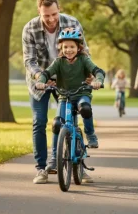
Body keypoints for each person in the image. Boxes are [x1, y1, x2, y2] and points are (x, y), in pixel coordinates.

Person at [22, 0, 95, 184]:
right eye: (46, 15)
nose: (51, 19)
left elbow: (84, 51)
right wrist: (41, 78)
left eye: (54, 14)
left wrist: (89, 74)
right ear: (40, 12)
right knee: (39, 122)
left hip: (68, 79)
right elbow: (29, 60)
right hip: (41, 80)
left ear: (58, 9)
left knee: (70, 119)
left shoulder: (72, 22)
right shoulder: (29, 28)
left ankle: (78, 164)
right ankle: (41, 169)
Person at [36, 26, 104, 168]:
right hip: (64, 97)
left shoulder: (84, 59)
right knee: (57, 124)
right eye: (65, 47)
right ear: (61, 47)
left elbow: (98, 71)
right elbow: (46, 73)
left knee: (85, 109)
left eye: (72, 46)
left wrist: (98, 81)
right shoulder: (58, 62)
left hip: (81, 94)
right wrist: (41, 82)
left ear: (78, 47)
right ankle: (55, 157)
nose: (68, 50)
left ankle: (90, 134)